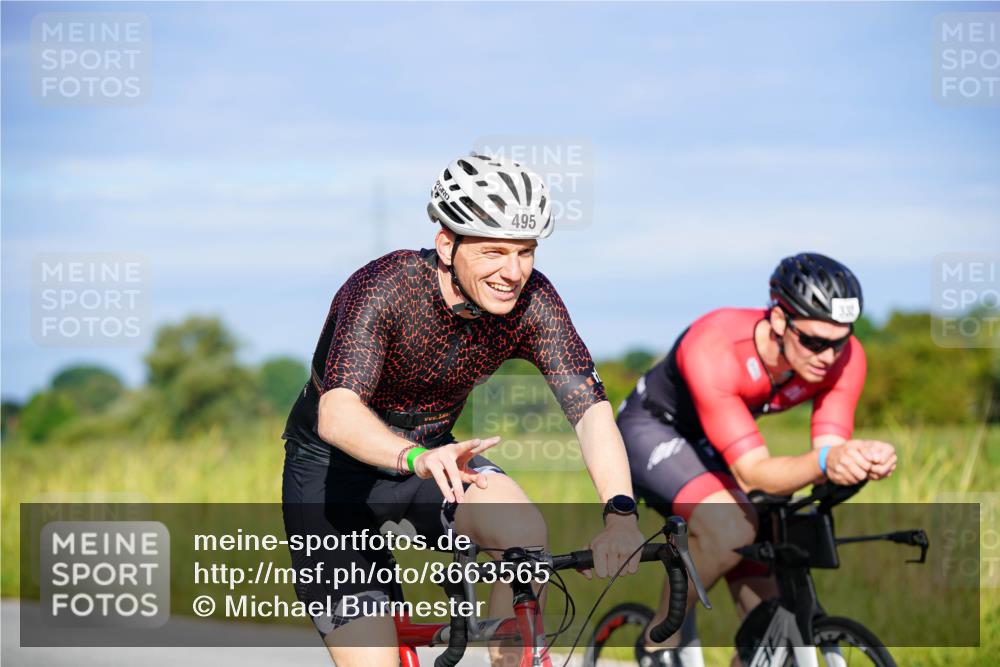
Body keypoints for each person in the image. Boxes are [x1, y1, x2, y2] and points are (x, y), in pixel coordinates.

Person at [281, 153, 644, 667]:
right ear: (447, 243)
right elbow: (337, 414)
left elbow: (590, 411)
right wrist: (414, 458)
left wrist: (621, 513)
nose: (513, 272)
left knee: (524, 538)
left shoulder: (532, 303)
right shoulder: (386, 287)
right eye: (494, 251)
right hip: (331, 474)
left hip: (437, 454)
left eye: (525, 251)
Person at [617, 253, 898, 667]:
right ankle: (659, 640)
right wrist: (826, 459)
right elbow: (754, 472)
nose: (828, 355)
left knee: (770, 582)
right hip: (652, 429)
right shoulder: (716, 345)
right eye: (815, 341)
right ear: (780, 321)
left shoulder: (846, 357)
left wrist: (859, 460)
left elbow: (829, 452)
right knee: (730, 527)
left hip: (715, 438)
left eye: (840, 341)